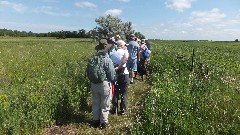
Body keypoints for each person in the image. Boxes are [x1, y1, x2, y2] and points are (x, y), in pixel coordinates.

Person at [88, 38, 116, 129]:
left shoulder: (93, 59)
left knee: (95, 102)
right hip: (104, 84)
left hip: (94, 83)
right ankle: (103, 123)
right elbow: (112, 75)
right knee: (105, 104)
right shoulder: (107, 60)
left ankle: (95, 121)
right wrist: (113, 80)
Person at [110, 40, 129, 115]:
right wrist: (120, 66)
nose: (126, 46)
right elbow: (126, 58)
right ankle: (122, 109)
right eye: (125, 45)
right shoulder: (125, 52)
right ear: (122, 45)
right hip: (124, 74)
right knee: (123, 92)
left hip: (115, 75)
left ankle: (114, 108)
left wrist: (116, 68)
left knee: (115, 92)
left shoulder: (113, 53)